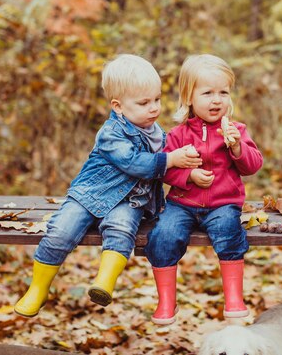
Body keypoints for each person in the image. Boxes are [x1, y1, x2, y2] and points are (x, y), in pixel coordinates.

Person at [14, 54, 202, 317]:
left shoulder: (159, 134)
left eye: (157, 100)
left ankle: (104, 282)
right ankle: (38, 288)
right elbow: (133, 162)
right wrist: (170, 159)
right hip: (90, 195)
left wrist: (191, 158)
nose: (154, 108)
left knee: (122, 229)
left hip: (129, 201)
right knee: (61, 231)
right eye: (144, 102)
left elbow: (173, 156)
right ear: (118, 106)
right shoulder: (111, 133)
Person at [144, 54, 263, 325]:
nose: (217, 100)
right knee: (164, 235)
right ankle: (166, 301)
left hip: (223, 204)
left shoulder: (236, 130)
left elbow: (253, 165)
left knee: (228, 231)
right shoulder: (178, 135)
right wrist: (189, 175)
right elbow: (164, 170)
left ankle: (233, 298)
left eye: (223, 92)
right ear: (189, 97)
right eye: (208, 93)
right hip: (182, 203)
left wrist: (236, 148)